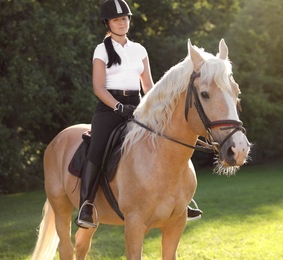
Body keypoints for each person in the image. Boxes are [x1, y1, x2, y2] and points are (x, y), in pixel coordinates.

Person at [75, 0, 202, 229]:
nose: (122, 23)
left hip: (138, 105)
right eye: (116, 19)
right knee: (97, 146)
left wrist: (157, 107)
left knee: (168, 141)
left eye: (124, 18)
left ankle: (182, 198)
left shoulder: (139, 50)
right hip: (109, 108)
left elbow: (148, 85)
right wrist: (117, 107)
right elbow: (98, 87)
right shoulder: (101, 50)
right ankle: (87, 204)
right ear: (108, 23)